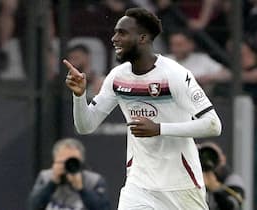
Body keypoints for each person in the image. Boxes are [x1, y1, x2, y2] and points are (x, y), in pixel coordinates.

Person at [64, 7, 222, 209]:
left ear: (143, 38)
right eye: (115, 32)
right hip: (139, 185)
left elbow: (213, 125)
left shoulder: (174, 74)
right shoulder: (117, 77)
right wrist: (79, 96)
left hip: (181, 185)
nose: (114, 39)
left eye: (122, 33)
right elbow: (85, 126)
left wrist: (159, 128)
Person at [27, 138, 110, 210]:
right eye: (63, 162)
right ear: (55, 161)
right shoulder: (46, 177)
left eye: (73, 162)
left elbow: (103, 208)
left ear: (81, 162)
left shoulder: (93, 180)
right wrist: (52, 183)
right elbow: (34, 206)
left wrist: (81, 189)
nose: (68, 166)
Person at [167, 30, 231, 95]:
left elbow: (227, 74)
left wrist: (209, 77)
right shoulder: (163, 60)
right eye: (173, 45)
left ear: (191, 44)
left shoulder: (203, 59)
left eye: (179, 45)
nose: (175, 49)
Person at [198, 142, 244, 210]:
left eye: (212, 157)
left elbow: (233, 206)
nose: (208, 162)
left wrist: (216, 189)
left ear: (223, 159)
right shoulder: (193, 178)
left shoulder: (232, 179)